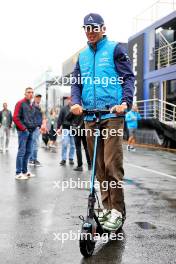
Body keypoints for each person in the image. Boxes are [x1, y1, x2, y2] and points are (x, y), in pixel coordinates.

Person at [71, 13, 134, 231]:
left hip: (112, 116)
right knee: (98, 168)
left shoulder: (115, 49)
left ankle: (117, 211)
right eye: (86, 28)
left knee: (111, 165)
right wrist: (76, 102)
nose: (90, 31)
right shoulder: (82, 57)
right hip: (90, 116)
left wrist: (125, 102)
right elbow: (76, 84)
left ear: (103, 28)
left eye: (94, 27)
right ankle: (107, 209)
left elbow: (128, 78)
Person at [13, 87, 37, 180]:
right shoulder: (20, 103)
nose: (30, 94)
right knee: (21, 152)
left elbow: (32, 118)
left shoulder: (31, 105)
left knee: (28, 152)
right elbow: (15, 118)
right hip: (23, 132)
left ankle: (25, 171)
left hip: (31, 131)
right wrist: (24, 129)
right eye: (28, 92)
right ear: (25, 94)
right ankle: (18, 173)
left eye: (32, 92)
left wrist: (34, 126)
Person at [57, 97, 75, 166]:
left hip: (73, 129)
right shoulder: (63, 108)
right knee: (65, 143)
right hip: (65, 128)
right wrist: (58, 128)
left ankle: (71, 158)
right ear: (68, 101)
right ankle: (63, 159)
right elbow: (60, 119)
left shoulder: (75, 109)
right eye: (70, 100)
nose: (71, 101)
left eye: (72, 100)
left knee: (73, 145)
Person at [29, 94, 43, 166]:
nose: (39, 99)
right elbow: (31, 117)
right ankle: (33, 159)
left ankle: (31, 159)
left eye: (39, 98)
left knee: (33, 143)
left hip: (36, 127)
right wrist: (36, 126)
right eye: (37, 97)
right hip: (34, 127)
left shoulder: (38, 106)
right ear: (34, 98)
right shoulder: (32, 106)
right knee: (35, 143)